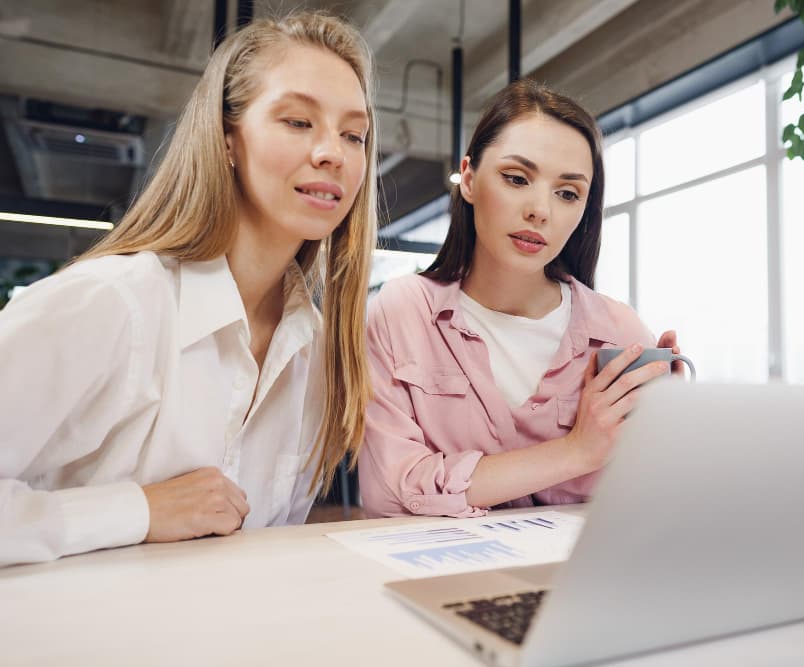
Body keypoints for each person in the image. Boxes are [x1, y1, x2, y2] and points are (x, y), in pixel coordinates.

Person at [0, 12, 377, 566]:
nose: (333, 153)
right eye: (298, 122)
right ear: (227, 140)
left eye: (354, 134)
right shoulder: (113, 303)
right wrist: (140, 511)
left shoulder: (315, 349)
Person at [360, 79, 684, 518]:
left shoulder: (618, 331)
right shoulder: (403, 312)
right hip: (435, 578)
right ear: (469, 179)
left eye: (567, 193)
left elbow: (652, 500)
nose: (540, 210)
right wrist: (575, 452)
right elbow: (391, 492)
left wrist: (671, 428)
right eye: (516, 178)